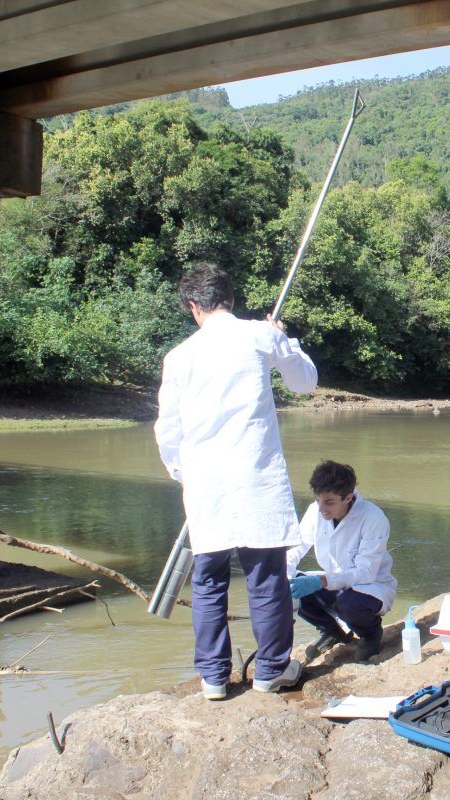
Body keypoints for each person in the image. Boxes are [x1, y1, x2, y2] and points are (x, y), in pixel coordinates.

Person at [154, 264, 318, 699]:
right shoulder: (258, 335)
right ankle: (271, 671)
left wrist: (181, 474)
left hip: (205, 482)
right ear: (230, 298)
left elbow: (167, 431)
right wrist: (284, 337)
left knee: (208, 580)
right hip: (255, 476)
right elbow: (305, 382)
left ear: (193, 306)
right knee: (266, 576)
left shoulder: (179, 356)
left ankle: (213, 678)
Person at [287, 460, 397, 663]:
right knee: (291, 588)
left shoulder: (373, 518)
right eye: (318, 500)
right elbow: (297, 545)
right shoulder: (316, 511)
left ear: (348, 497)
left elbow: (365, 573)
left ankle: (370, 634)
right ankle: (332, 631)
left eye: (329, 502)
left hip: (370, 587)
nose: (322, 509)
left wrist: (321, 581)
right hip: (333, 582)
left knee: (349, 604)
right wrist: (284, 573)